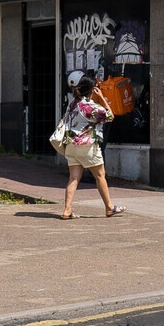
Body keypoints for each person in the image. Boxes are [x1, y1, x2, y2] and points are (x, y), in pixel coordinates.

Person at [52, 71, 124, 220]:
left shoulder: (73, 103)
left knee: (73, 178)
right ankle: (109, 207)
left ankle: (67, 210)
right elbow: (110, 115)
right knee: (100, 175)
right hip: (87, 146)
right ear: (92, 90)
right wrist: (102, 97)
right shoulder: (90, 106)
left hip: (71, 145)